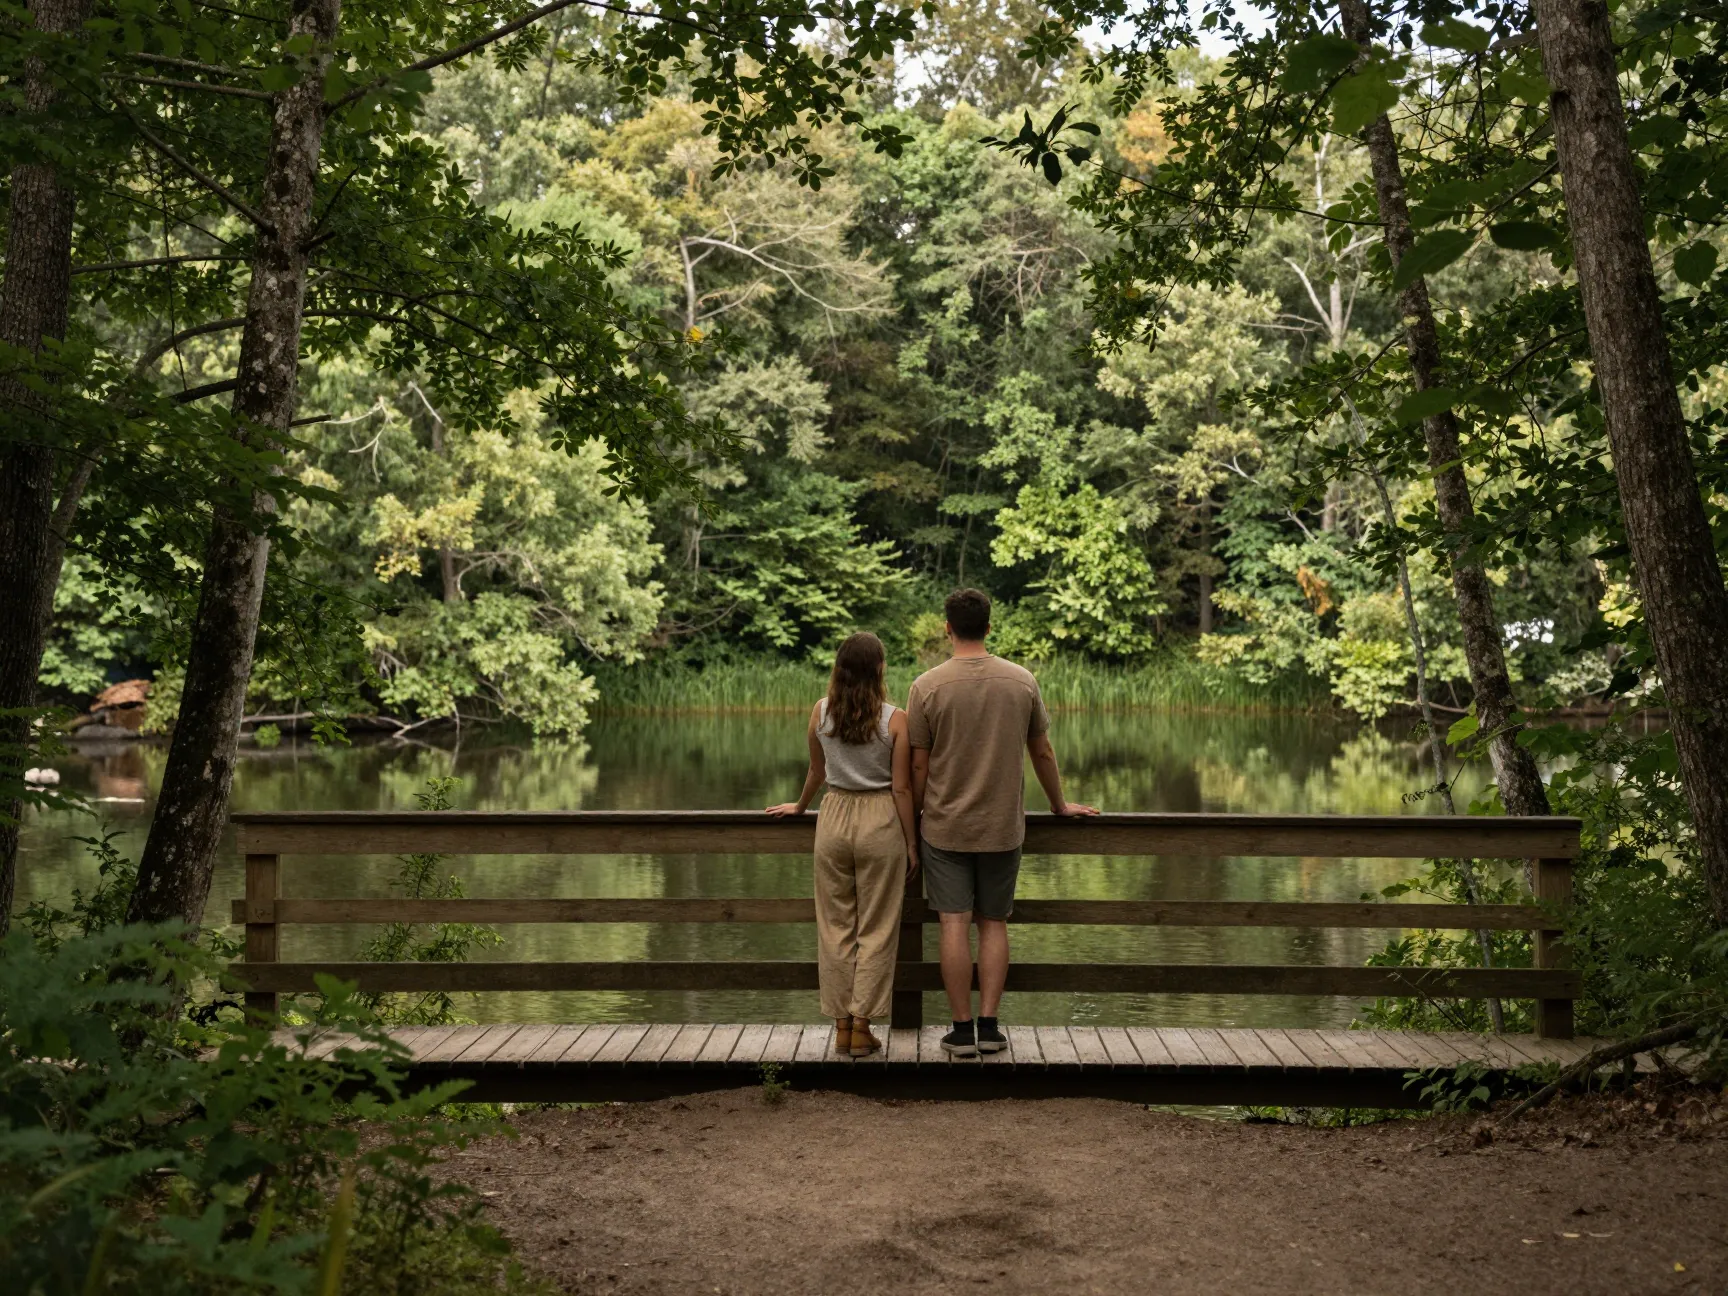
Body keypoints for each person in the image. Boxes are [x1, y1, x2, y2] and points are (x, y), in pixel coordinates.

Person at [908, 588, 1098, 1057]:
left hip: (944, 827)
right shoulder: (1021, 681)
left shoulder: (926, 686)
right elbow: (1042, 751)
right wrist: (1059, 805)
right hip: (1001, 827)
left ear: (946, 627)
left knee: (953, 925)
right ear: (990, 627)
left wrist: (910, 819)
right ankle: (991, 1027)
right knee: (993, 923)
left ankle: (961, 1030)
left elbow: (917, 766)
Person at [766, 632, 919, 1057]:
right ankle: (861, 1026)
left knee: (835, 927)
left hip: (833, 818)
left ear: (839, 668)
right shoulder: (896, 720)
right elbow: (903, 789)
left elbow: (817, 770)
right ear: (880, 670)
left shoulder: (821, 712)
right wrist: (911, 843)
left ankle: (839, 1026)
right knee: (877, 927)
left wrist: (800, 807)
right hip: (880, 820)